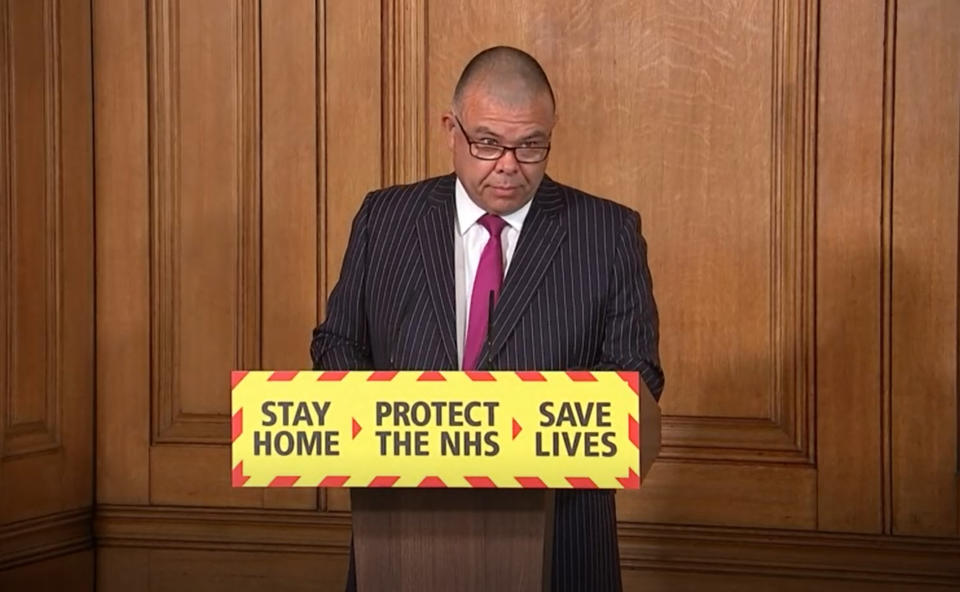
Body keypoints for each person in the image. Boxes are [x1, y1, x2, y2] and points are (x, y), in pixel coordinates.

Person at [311, 45, 664, 592]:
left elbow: (636, 375)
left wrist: (518, 427)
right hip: (402, 533)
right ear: (451, 128)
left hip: (562, 537)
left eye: (531, 147)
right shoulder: (384, 219)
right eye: (488, 142)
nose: (508, 165)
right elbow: (337, 341)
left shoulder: (607, 233)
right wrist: (388, 420)